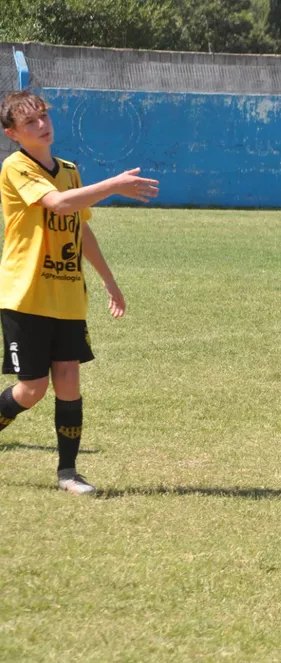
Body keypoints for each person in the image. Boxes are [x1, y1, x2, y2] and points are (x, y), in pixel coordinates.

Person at [0, 90, 159, 494]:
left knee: (69, 379)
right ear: (13, 134)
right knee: (32, 390)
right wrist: (114, 185)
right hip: (27, 294)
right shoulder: (15, 167)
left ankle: (68, 473)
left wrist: (109, 280)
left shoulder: (69, 168)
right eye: (31, 122)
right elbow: (56, 204)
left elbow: (80, 227)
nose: (42, 126)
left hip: (68, 293)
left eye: (44, 117)